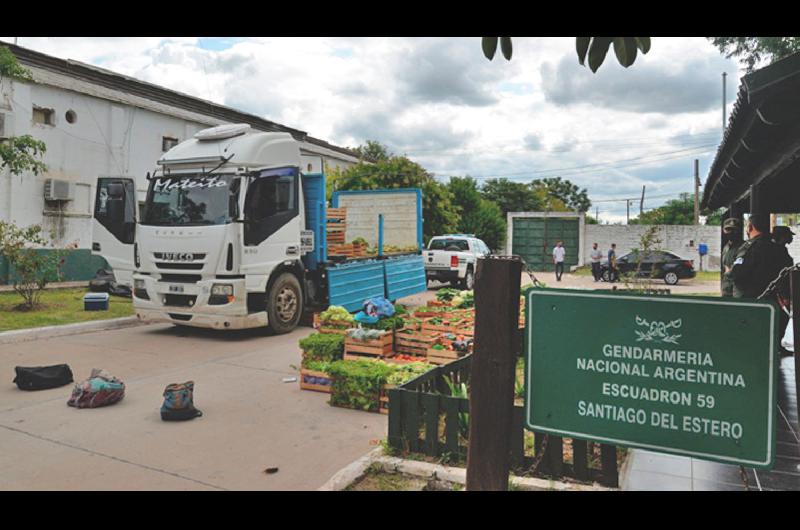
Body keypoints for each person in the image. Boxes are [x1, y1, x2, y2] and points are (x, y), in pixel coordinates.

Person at [730, 214, 791, 299]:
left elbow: (737, 274)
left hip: (751, 300)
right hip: (774, 300)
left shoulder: (748, 249)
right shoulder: (780, 249)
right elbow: (787, 275)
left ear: (750, 227)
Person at [721, 218, 743, 297]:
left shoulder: (743, 247)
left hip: (737, 292)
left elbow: (739, 270)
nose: (730, 232)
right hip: (726, 290)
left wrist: (729, 271)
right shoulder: (726, 247)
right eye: (728, 229)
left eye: (734, 230)